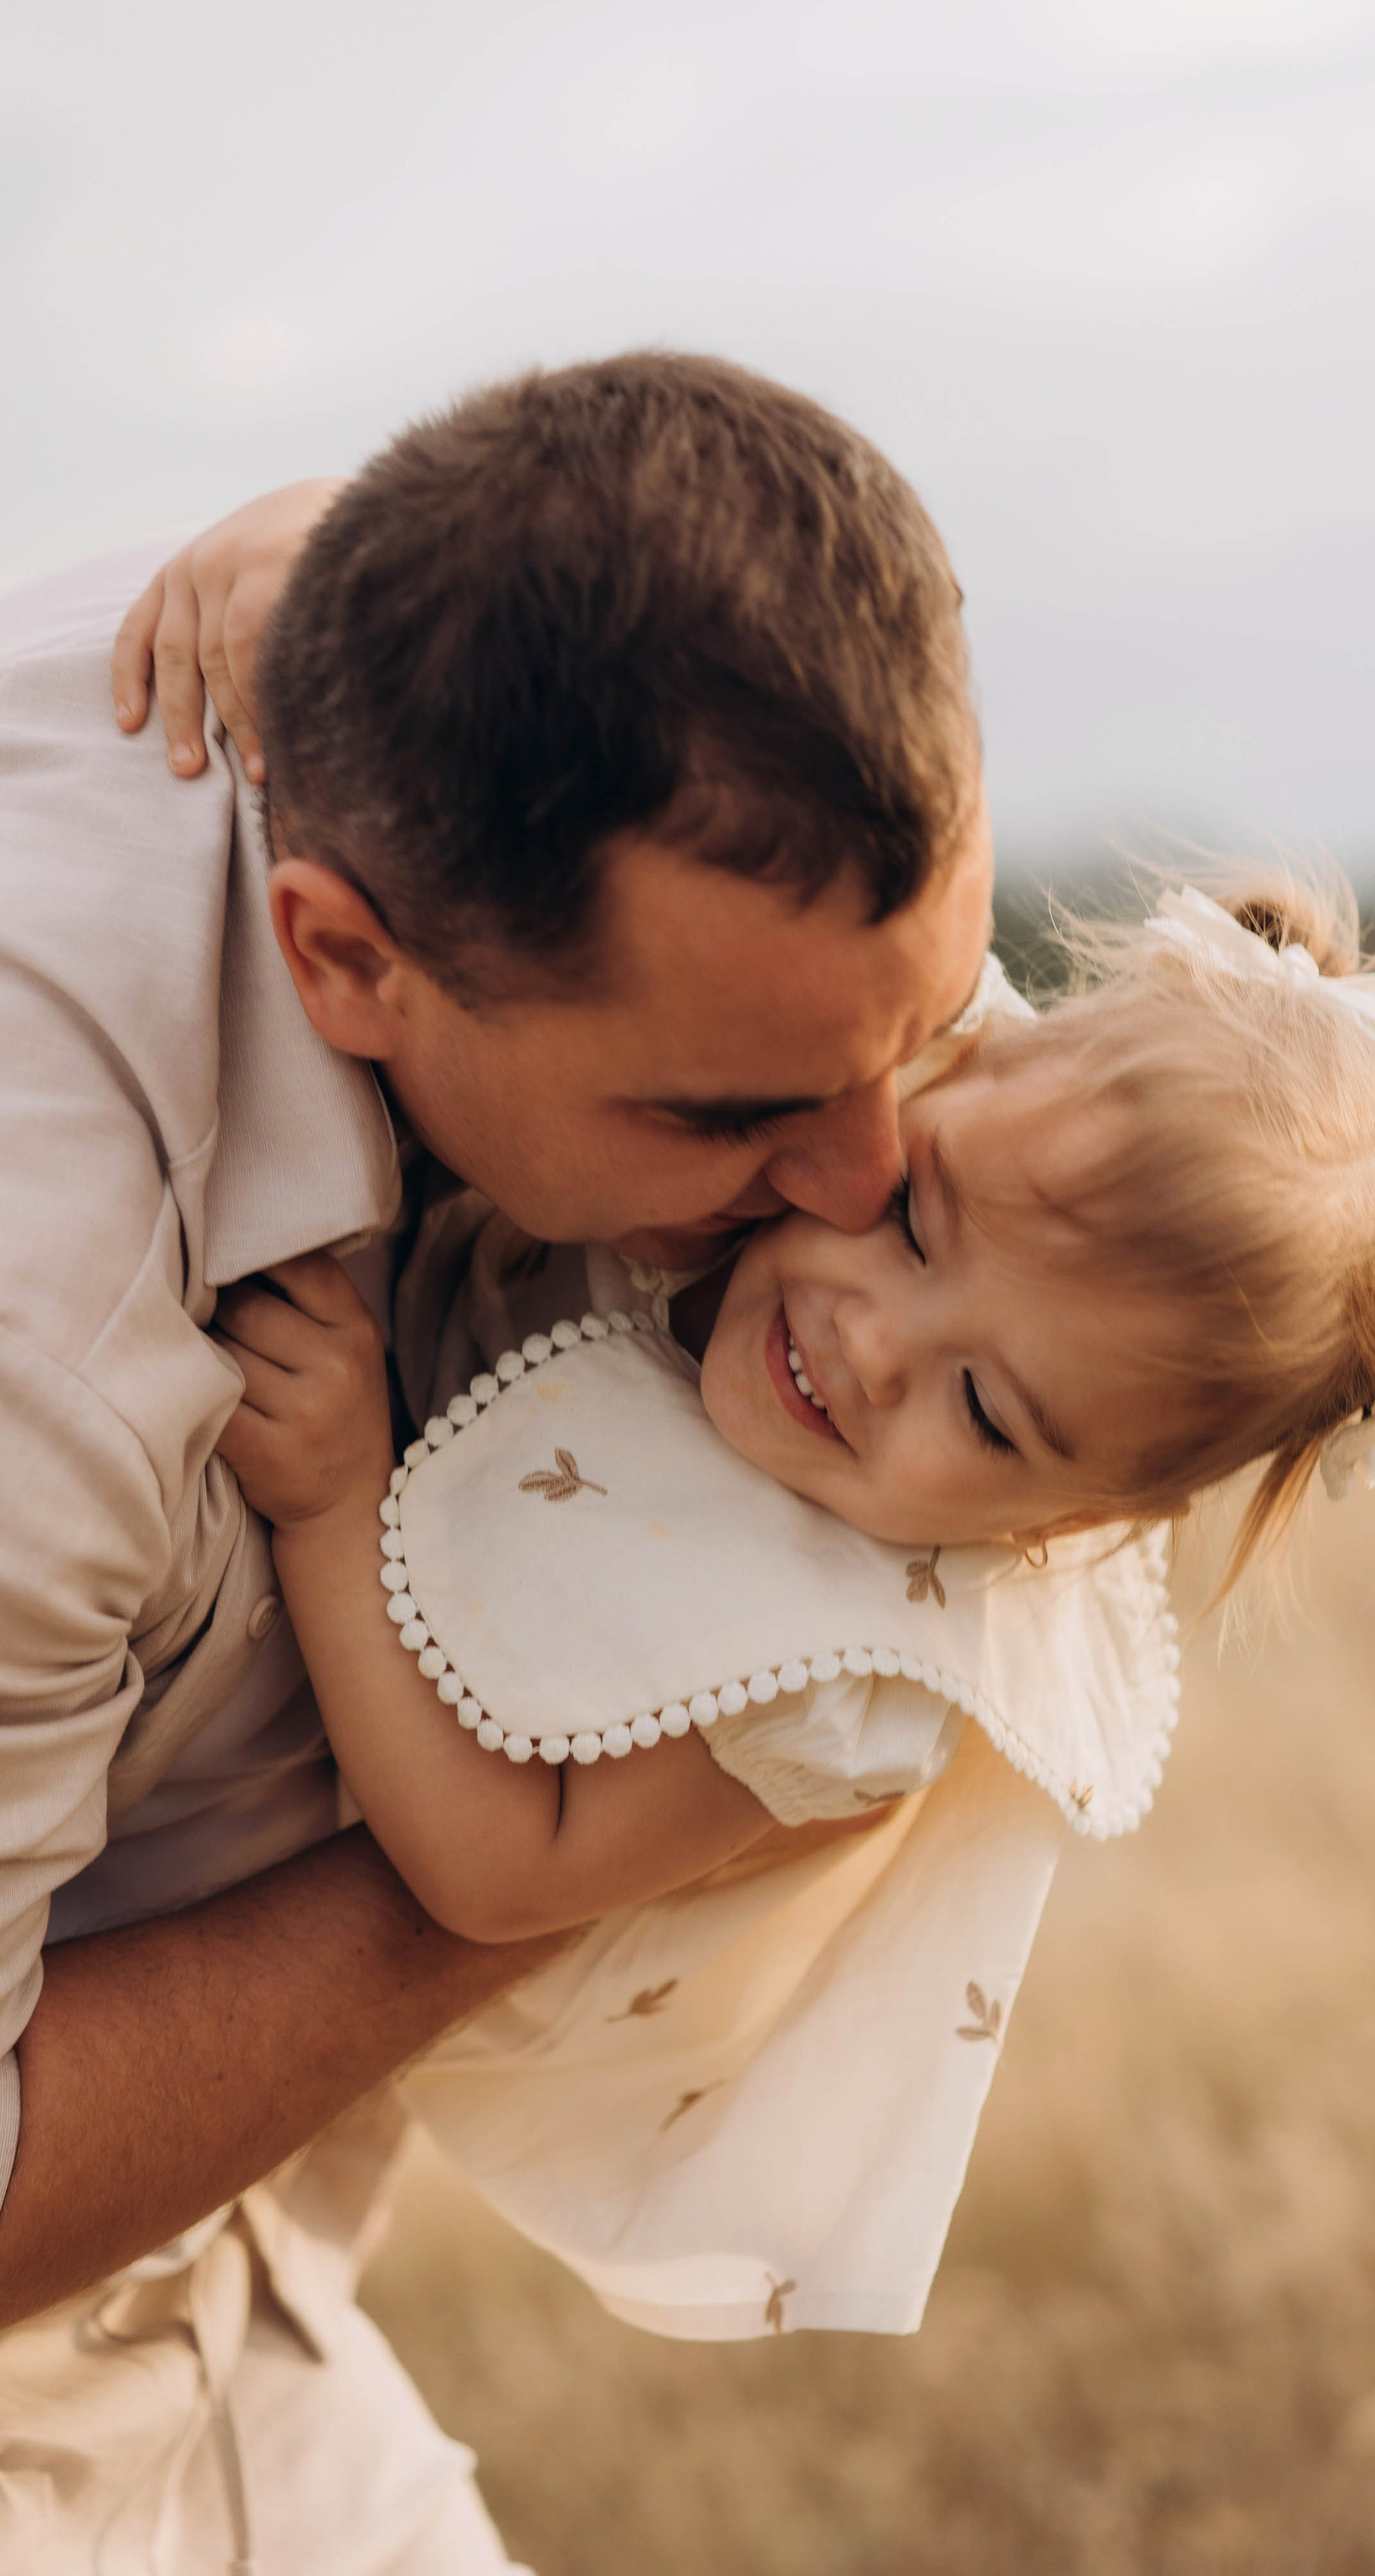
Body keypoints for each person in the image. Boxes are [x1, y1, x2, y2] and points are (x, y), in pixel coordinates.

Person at [0, 352, 992, 2573]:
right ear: (343, 957)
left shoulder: (468, 690)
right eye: (730, 1119)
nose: (868, 1172)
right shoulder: (40, 1329)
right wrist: (595, 1832)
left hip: (222, 2307)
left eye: (920, 1040)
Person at [202, 874, 1375, 2346]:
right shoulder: (863, 1073)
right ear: (952, 1057)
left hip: (358, 1806)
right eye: (910, 1212)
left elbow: (502, 1871)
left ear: (1080, 1519)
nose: (871, 1334)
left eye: (982, 1407)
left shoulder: (839, 1682)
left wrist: (332, 1507)